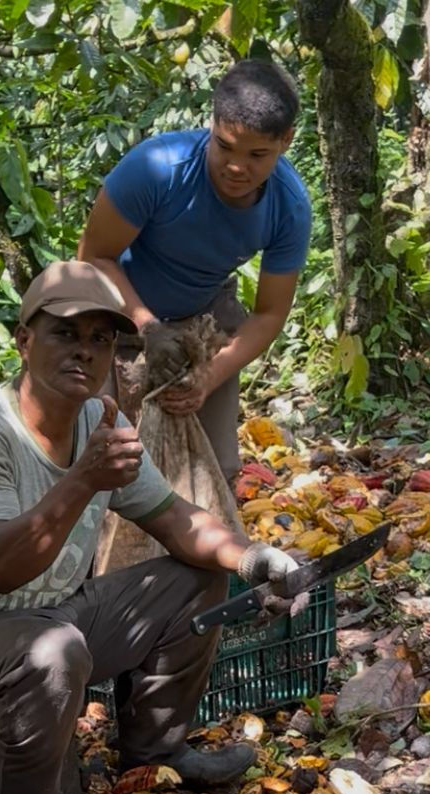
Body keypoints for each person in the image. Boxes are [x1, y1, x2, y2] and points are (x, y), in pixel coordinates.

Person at [0, 260, 298, 794]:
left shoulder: (97, 422)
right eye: (65, 334)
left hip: (57, 613)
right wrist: (83, 480)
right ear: (24, 341)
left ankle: (155, 749)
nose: (86, 351)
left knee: (195, 578)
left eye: (102, 340)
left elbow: (173, 518)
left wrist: (251, 558)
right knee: (53, 652)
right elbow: (0, 570)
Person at [78, 58, 312, 483]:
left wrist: (209, 375)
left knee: (214, 471)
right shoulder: (156, 167)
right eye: (224, 146)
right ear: (211, 124)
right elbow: (93, 257)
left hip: (202, 318)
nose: (237, 167)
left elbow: (269, 314)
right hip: (115, 310)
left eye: (258, 154)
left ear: (286, 142)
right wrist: (146, 326)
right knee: (101, 460)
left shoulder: (289, 207)